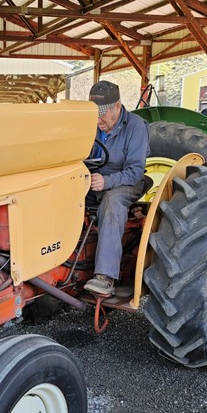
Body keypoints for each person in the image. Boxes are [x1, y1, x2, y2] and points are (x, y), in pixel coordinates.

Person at [84, 80, 149, 297]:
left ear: (118, 107)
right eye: (95, 113)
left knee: (112, 201)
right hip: (94, 177)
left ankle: (105, 276)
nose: (98, 119)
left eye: (102, 113)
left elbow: (135, 171)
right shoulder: (90, 126)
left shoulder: (136, 127)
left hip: (126, 181)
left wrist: (106, 181)